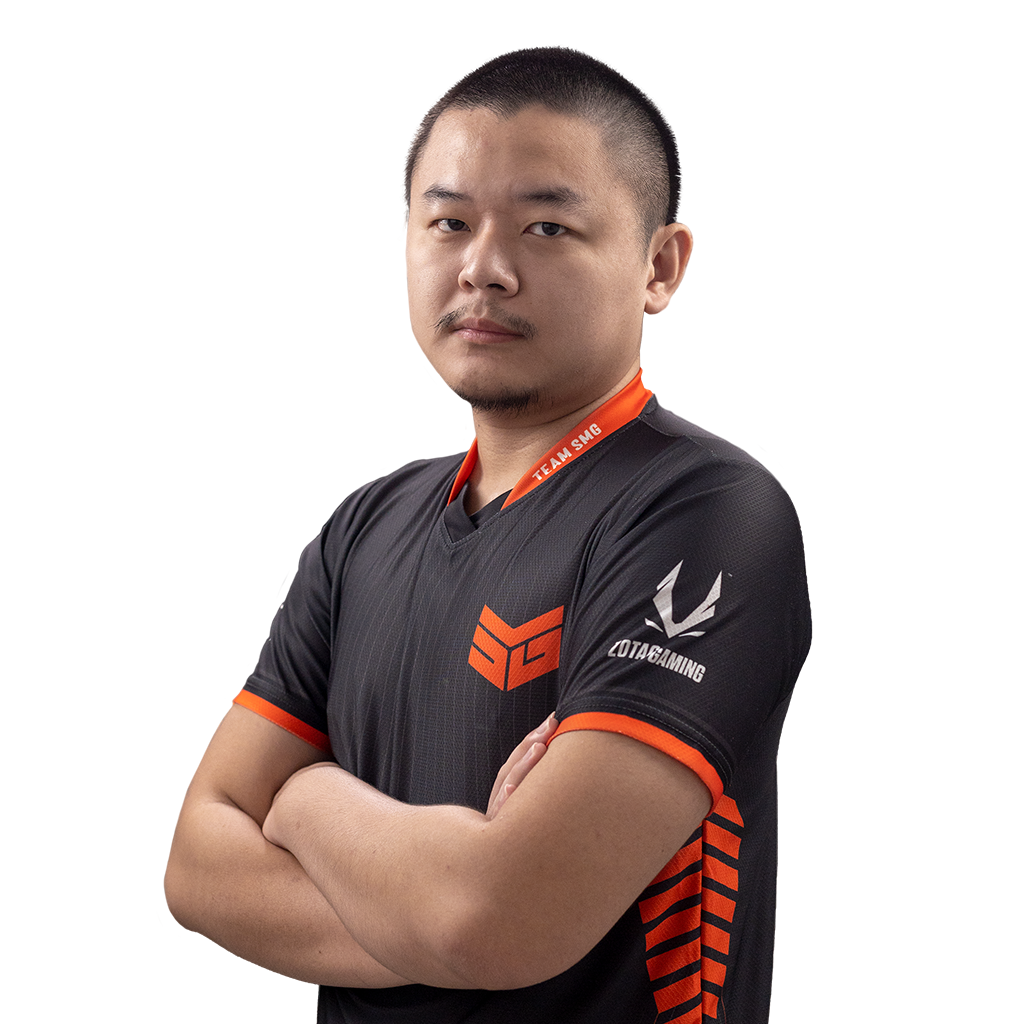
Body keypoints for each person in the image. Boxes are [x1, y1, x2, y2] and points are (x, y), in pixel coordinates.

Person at [166, 48, 810, 1024]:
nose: (484, 268)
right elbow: (194, 863)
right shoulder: (365, 528)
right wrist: (442, 913)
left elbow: (501, 919)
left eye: (547, 226)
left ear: (659, 266)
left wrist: (302, 799)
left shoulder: (708, 511)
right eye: (450, 223)